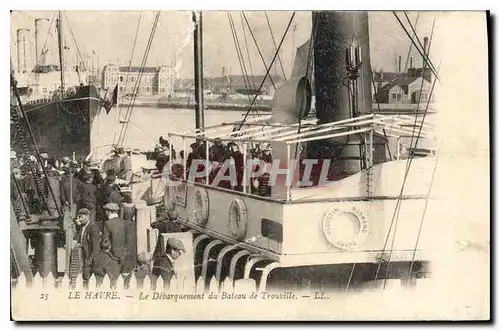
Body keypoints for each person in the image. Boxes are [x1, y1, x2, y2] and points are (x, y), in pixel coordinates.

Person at [74, 208, 101, 278]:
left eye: (81, 217)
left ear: (88, 216)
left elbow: (96, 248)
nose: (80, 219)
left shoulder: (93, 228)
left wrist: (89, 261)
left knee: (88, 279)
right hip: (84, 258)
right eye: (79, 217)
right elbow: (78, 238)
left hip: (89, 260)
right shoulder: (82, 227)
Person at [101, 203, 127, 267]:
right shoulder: (123, 222)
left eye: (105, 210)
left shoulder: (107, 223)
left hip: (111, 256)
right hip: (122, 255)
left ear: (109, 211)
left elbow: (105, 242)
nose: (105, 212)